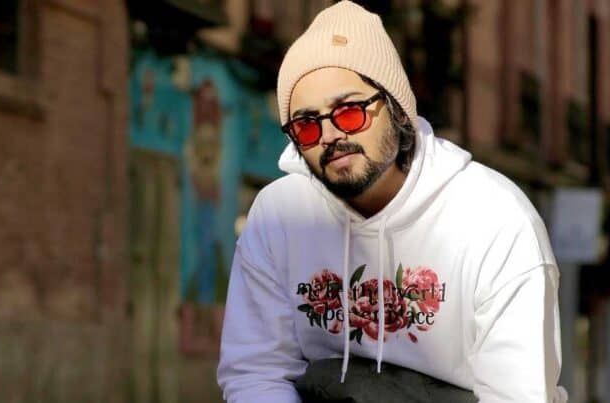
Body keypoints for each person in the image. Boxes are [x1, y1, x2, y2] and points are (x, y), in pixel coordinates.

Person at [217, 1, 568, 402]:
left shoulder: (494, 220)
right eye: (307, 125)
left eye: (349, 112)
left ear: (398, 109)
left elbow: (517, 395)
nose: (329, 136)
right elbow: (256, 372)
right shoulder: (279, 216)